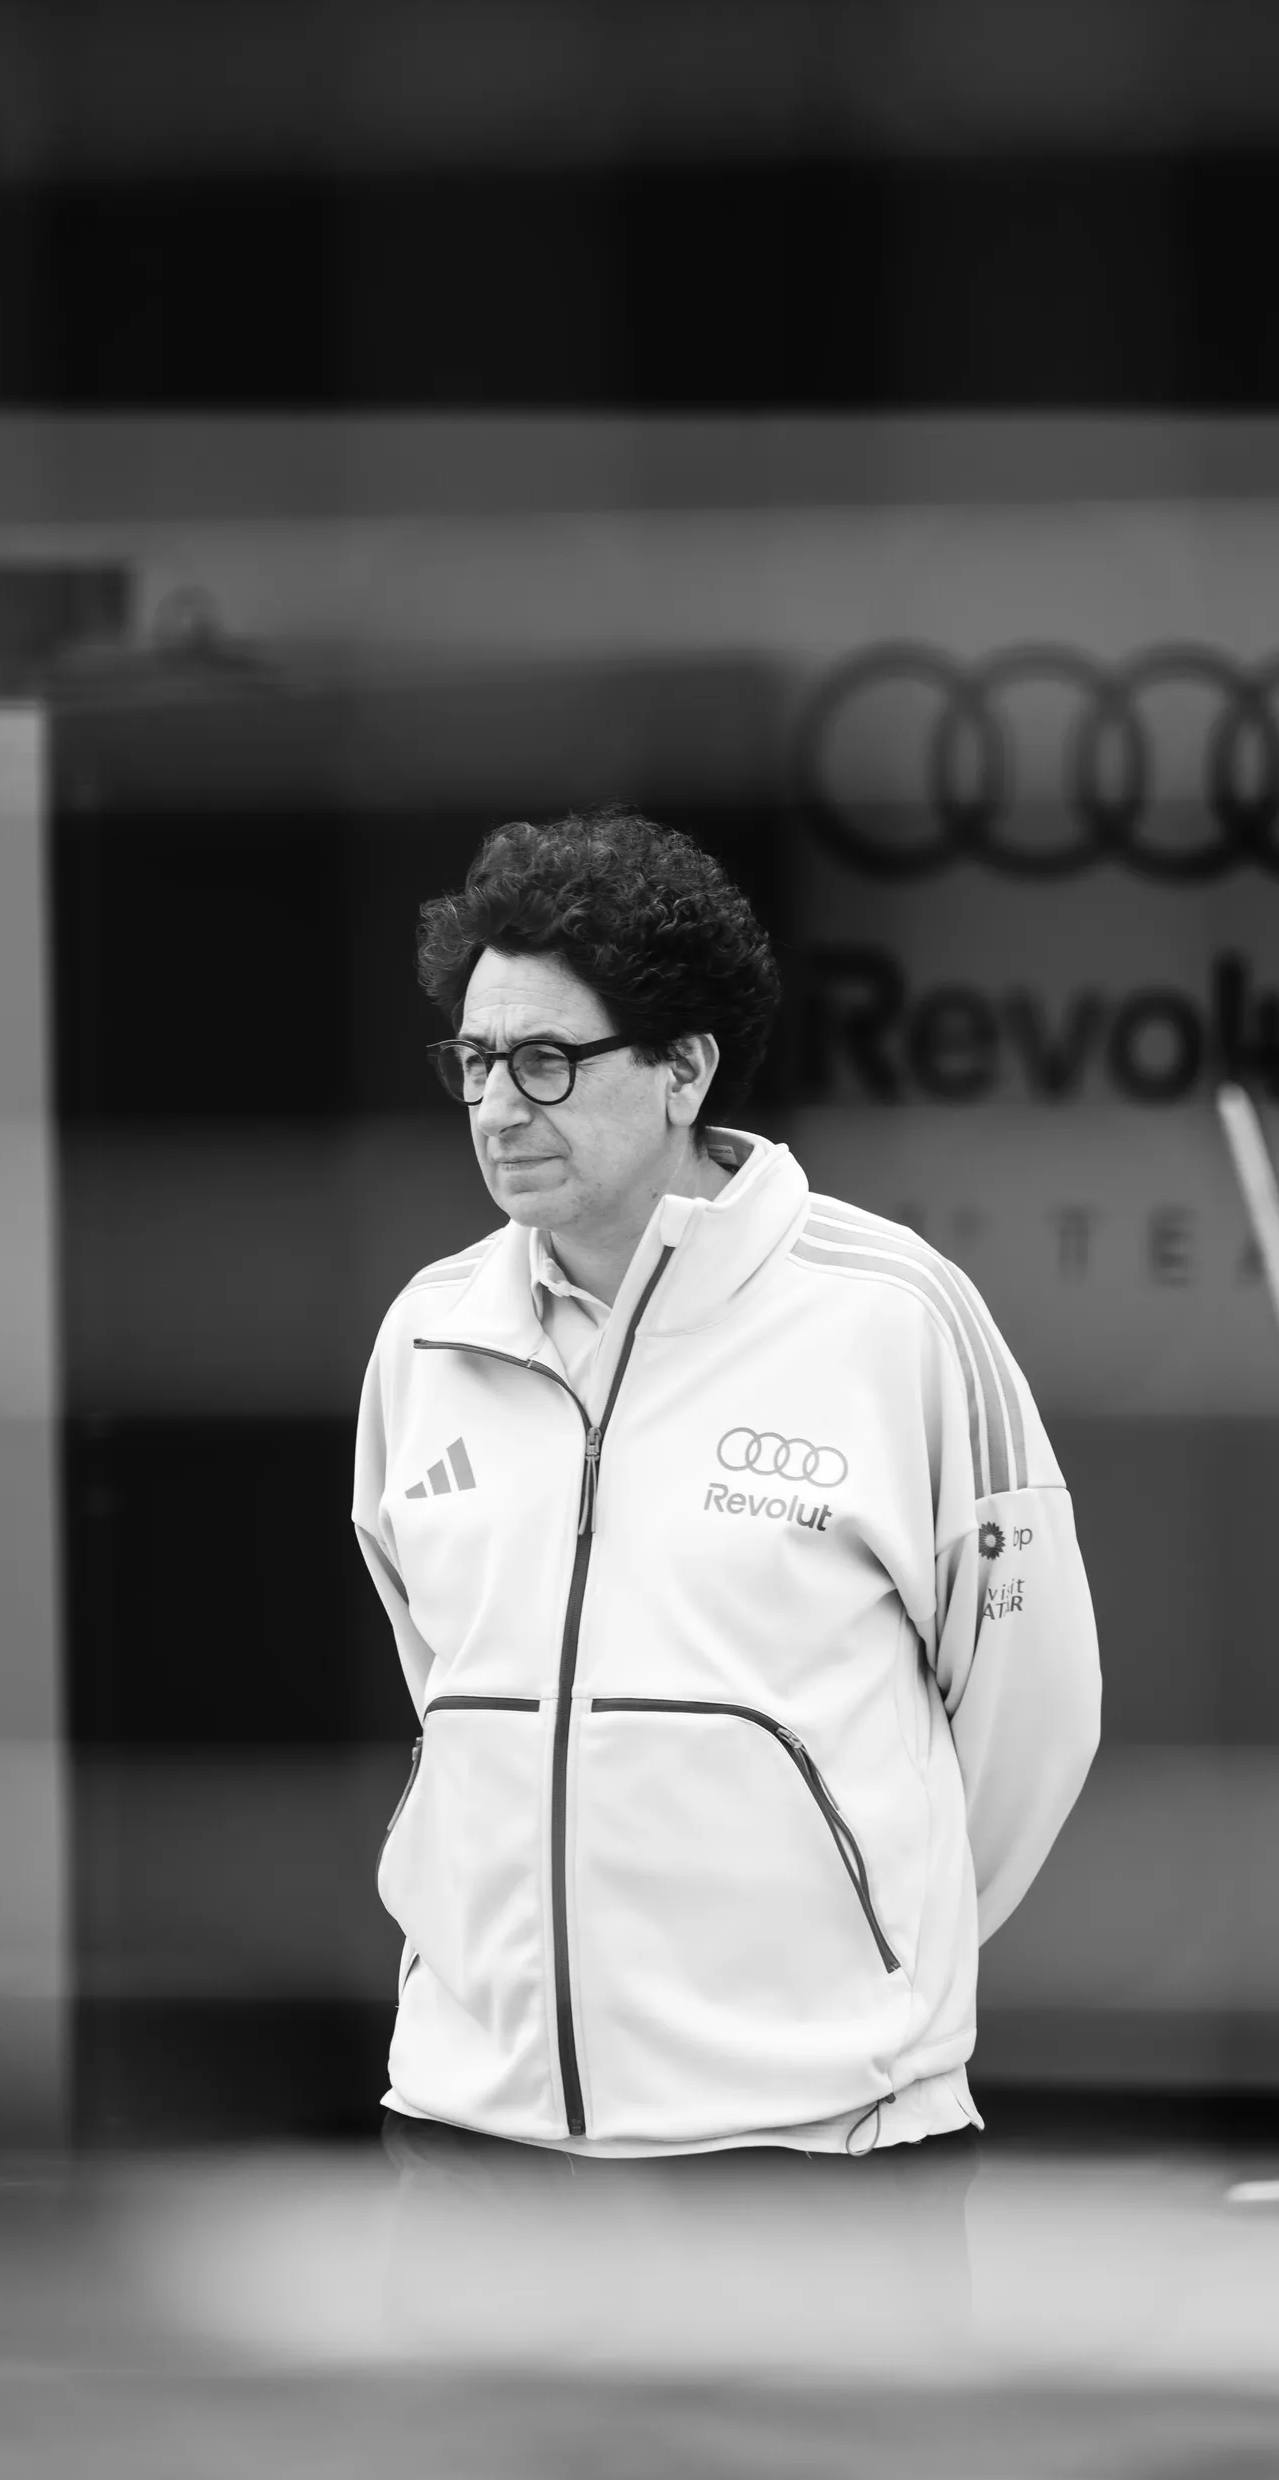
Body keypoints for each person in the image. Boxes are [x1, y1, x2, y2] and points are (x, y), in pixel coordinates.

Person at [352, 809, 1100, 2240]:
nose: (500, 1106)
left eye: (550, 1061)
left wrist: (870, 1976)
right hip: (468, 2139)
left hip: (811, 2153)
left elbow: (1032, 1715)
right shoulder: (426, 1335)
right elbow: (449, 1692)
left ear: (686, 1067)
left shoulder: (895, 1316)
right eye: (475, 1061)